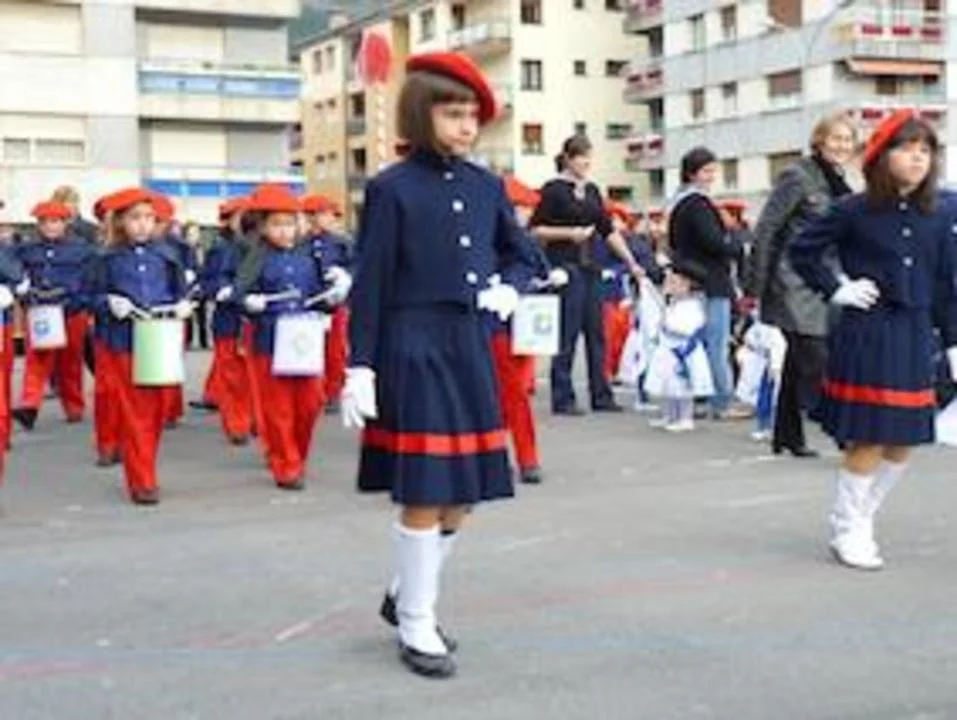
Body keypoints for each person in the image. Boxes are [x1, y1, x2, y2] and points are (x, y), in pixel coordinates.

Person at [342, 52, 540, 679]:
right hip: (414, 346)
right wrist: (359, 366)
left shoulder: (486, 186)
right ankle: (416, 619)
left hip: (468, 343)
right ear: (419, 114)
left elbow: (524, 255)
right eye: (452, 113)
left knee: (466, 493)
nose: (466, 126)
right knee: (427, 490)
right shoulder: (391, 188)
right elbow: (371, 283)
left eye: (472, 115)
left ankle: (405, 591)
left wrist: (510, 287)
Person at [790, 109, 957, 571]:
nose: (918, 158)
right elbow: (802, 250)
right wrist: (836, 288)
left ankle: (863, 515)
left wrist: (954, 342)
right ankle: (848, 527)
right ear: (882, 156)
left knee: (904, 442)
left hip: (916, 333)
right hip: (868, 331)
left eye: (925, 150)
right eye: (907, 148)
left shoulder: (942, 211)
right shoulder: (853, 209)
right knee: (869, 436)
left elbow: (946, 282)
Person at [747, 113, 857, 457]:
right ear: (819, 142)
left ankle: (787, 435)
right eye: (835, 138)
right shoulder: (798, 176)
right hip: (790, 280)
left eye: (847, 140)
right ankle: (847, 434)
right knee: (816, 361)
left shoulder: (839, 182)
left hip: (821, 281)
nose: (841, 145)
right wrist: (755, 285)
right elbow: (767, 228)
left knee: (798, 362)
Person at [238, 184, 347, 490]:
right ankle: (285, 463)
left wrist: (335, 296)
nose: (284, 231)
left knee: (310, 404)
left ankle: (295, 454)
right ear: (263, 227)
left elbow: (319, 296)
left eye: (289, 223)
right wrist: (249, 302)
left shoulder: (308, 257)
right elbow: (239, 294)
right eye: (276, 224)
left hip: (304, 339)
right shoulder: (256, 257)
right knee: (278, 409)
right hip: (270, 341)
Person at [90, 188, 193, 505]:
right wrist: (109, 303)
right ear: (120, 221)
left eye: (149, 217)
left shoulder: (167, 256)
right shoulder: (107, 258)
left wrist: (184, 305)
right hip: (123, 341)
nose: (143, 224)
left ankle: (143, 463)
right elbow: (85, 297)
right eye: (135, 217)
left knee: (158, 408)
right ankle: (142, 480)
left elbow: (182, 292)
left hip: (160, 337)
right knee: (137, 412)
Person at [530, 135, 644, 415]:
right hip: (566, 265)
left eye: (589, 158)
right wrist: (569, 233)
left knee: (597, 332)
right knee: (567, 333)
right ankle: (563, 396)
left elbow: (607, 230)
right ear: (568, 159)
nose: (586, 163)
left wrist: (630, 261)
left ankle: (601, 394)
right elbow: (536, 229)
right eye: (582, 158)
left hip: (591, 265)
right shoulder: (554, 190)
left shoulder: (592, 190)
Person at [489, 175, 565, 485]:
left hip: (524, 324)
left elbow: (537, 269)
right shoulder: (487, 237)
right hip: (494, 323)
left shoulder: (525, 240)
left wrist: (550, 279)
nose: (527, 214)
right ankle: (511, 456)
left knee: (516, 393)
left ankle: (520, 457)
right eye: (521, 208)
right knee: (504, 395)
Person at [668, 147, 748, 420]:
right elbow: (714, 241)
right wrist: (736, 244)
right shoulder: (699, 204)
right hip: (711, 279)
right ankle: (721, 400)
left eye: (713, 170)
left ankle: (698, 396)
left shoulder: (679, 204)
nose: (712, 176)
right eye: (706, 171)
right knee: (716, 342)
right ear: (692, 173)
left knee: (695, 342)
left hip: (691, 278)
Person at [14, 200, 95, 431]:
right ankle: (29, 405)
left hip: (72, 311)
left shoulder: (81, 250)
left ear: (65, 223)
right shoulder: (27, 250)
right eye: (45, 222)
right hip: (41, 310)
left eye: (55, 221)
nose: (50, 226)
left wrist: (80, 300)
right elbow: (14, 269)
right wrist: (23, 288)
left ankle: (74, 406)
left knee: (70, 361)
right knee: (37, 358)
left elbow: (89, 279)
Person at [198, 198, 253, 444]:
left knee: (253, 376)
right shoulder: (221, 249)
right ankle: (237, 424)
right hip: (229, 320)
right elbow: (207, 281)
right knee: (231, 376)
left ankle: (253, 419)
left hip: (256, 319)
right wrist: (222, 289)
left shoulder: (263, 247)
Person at [643, 260, 714, 432]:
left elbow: (689, 328)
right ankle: (670, 415)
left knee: (682, 386)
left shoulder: (692, 306)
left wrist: (670, 326)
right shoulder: (672, 305)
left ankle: (685, 417)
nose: (670, 286)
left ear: (687, 286)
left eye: (675, 283)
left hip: (683, 350)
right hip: (668, 349)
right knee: (669, 386)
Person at [301, 194, 354, 413]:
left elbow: (356, 266)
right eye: (325, 215)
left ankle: (333, 391)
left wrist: (346, 276)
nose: (330, 220)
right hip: (310, 304)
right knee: (310, 350)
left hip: (336, 303)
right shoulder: (301, 244)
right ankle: (314, 391)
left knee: (336, 351)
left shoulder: (342, 243)